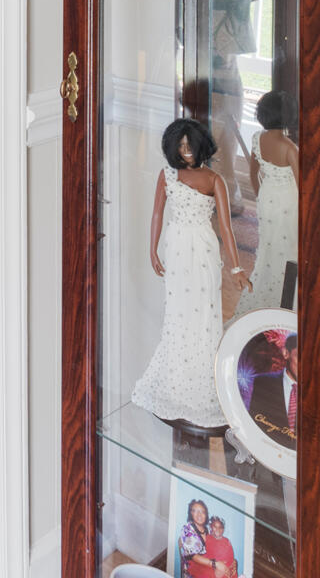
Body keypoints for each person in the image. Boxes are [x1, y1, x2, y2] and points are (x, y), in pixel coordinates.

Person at [130, 106, 246, 431]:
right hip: (177, 247)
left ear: (201, 145)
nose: (186, 152)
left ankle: (204, 378)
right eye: (180, 147)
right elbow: (157, 213)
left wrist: (236, 268)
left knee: (204, 310)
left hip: (203, 250)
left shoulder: (215, 180)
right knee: (178, 311)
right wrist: (152, 248)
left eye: (190, 145)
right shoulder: (167, 176)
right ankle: (176, 378)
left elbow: (226, 228)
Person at [233, 90, 297, 318]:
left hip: (267, 199)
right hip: (288, 202)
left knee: (269, 249)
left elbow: (253, 173)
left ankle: (265, 299)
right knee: (289, 251)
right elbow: (303, 186)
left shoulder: (257, 138)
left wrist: (261, 197)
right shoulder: (289, 148)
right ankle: (285, 303)